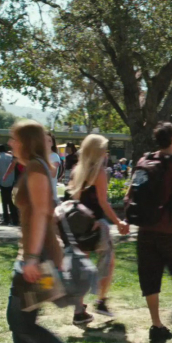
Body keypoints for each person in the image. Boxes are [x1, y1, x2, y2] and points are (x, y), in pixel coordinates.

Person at [0, 120, 93, 343]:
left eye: (14, 139)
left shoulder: (38, 168)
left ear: (26, 142)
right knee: (21, 322)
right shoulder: (34, 166)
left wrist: (30, 259)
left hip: (38, 260)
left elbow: (42, 213)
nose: (10, 143)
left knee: (21, 322)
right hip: (34, 256)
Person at [127, 122, 172, 343]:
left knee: (150, 278)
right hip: (169, 230)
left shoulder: (143, 161)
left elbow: (132, 193)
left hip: (145, 231)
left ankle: (156, 325)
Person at [67, 134, 130, 323]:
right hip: (95, 224)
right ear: (97, 151)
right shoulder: (99, 172)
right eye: (103, 149)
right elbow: (103, 202)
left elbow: (75, 200)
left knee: (82, 266)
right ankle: (101, 301)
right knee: (108, 260)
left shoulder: (77, 170)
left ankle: (79, 310)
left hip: (79, 224)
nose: (105, 152)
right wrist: (118, 222)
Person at [0, 144, 19, 226]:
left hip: (3, 182)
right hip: (13, 181)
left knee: (4, 201)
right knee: (12, 201)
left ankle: (6, 218)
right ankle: (15, 219)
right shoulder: (11, 157)